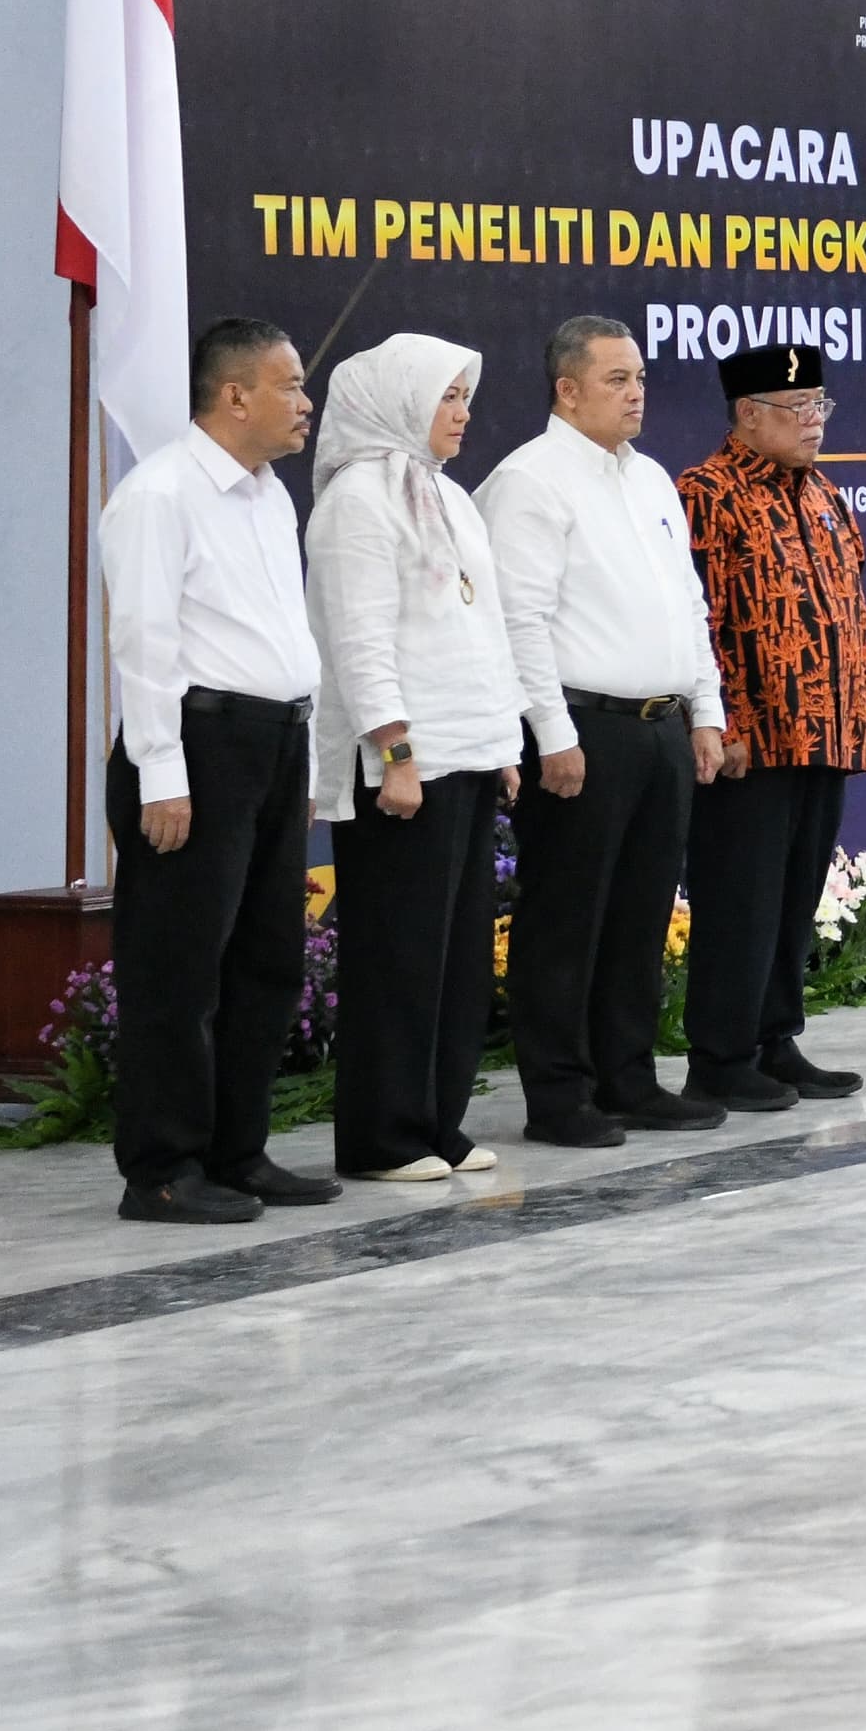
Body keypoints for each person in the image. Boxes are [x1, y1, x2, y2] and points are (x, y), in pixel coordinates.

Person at [98, 318, 341, 1225]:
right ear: (234, 394)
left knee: (267, 962)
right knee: (179, 970)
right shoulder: (161, 494)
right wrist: (161, 771)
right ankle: (162, 1166)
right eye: (290, 384)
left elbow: (284, 637)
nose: (305, 402)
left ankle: (238, 1152)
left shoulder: (270, 495)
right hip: (196, 748)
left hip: (272, 744)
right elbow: (145, 641)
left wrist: (304, 755)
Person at [478, 316, 731, 1150]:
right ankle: (559, 1092)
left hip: (658, 726)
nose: (636, 392)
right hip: (581, 725)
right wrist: (551, 732)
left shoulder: (652, 479)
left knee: (640, 911)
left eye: (641, 377)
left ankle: (628, 1075)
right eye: (617, 378)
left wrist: (706, 709)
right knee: (567, 916)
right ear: (567, 387)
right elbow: (521, 620)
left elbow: (686, 606)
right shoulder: (531, 480)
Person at [305, 334, 520, 1186]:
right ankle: (381, 1135)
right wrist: (395, 751)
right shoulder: (357, 500)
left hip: (468, 754)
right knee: (397, 955)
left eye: (466, 396)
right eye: (446, 397)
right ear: (397, 401)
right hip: (405, 768)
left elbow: (484, 629)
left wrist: (503, 743)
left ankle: (439, 1120)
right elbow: (357, 640)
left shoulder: (450, 498)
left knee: (459, 956)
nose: (463, 413)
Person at [679, 342, 866, 1111]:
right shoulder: (707, 493)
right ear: (749, 415)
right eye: (797, 409)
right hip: (750, 743)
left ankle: (775, 1038)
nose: (813, 422)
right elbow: (706, 619)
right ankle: (721, 1054)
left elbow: (850, 608)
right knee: (741, 898)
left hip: (825, 730)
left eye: (820, 406)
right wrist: (721, 721)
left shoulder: (823, 493)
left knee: (795, 894)